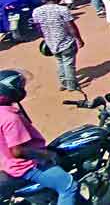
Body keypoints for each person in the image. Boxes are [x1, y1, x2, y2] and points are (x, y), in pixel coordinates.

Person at [0, 70, 80, 205]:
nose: (22, 89)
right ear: (10, 90)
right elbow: (18, 151)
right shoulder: (11, 118)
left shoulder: (3, 112)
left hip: (9, 163)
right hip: (27, 167)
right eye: (20, 86)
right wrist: (46, 154)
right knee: (68, 186)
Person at [31, 0, 85, 92]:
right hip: (66, 41)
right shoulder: (62, 9)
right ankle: (71, 85)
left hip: (51, 43)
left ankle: (63, 83)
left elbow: (38, 28)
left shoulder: (36, 12)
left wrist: (45, 37)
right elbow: (71, 26)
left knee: (60, 62)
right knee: (68, 63)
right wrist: (79, 39)